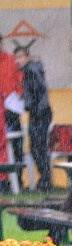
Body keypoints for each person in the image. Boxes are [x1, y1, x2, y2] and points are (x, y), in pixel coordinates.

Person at [14, 43, 52, 192]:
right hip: (40, 111)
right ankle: (45, 180)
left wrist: (26, 103)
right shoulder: (33, 69)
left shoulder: (30, 70)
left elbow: (37, 90)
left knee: (37, 148)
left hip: (39, 112)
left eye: (20, 57)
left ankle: (45, 181)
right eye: (16, 58)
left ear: (27, 57)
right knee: (38, 148)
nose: (17, 61)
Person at [0, 35, 24, 189]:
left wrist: (17, 95)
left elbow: (20, 81)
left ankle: (16, 180)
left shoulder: (10, 60)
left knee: (16, 144)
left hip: (11, 109)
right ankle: (4, 181)